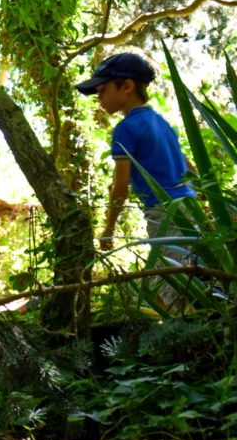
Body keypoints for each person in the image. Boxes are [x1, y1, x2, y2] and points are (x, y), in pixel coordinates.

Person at [76, 52, 199, 307]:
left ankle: (176, 343)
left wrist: (108, 229)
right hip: (191, 209)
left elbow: (121, 186)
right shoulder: (161, 122)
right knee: (192, 279)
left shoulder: (126, 128)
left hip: (164, 213)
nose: (100, 98)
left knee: (169, 288)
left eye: (103, 90)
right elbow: (188, 166)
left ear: (127, 86)